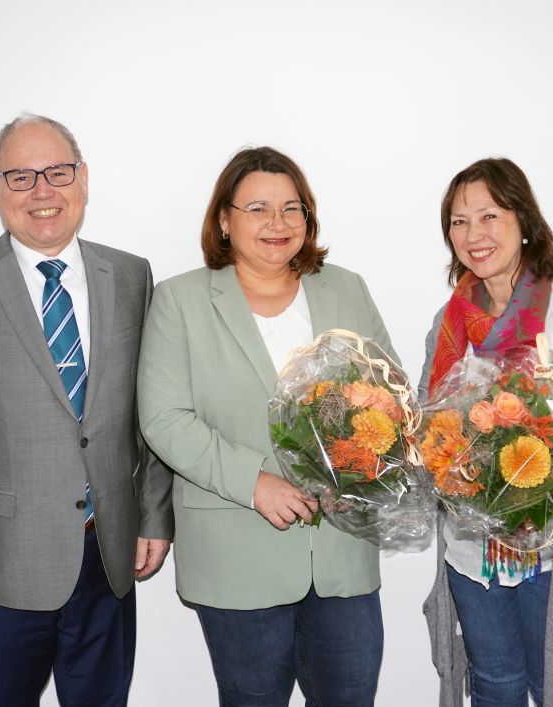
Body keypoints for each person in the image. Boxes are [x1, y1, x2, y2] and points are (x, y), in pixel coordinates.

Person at [0, 113, 174, 707]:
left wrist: (154, 514)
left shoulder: (130, 276)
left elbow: (150, 411)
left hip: (109, 555)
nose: (43, 191)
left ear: (84, 179)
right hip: (0, 568)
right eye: (21, 176)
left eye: (58, 171)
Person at [138, 146, 395, 707]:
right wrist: (254, 482)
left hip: (342, 555)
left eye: (291, 208)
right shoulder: (180, 300)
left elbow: (389, 398)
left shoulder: (345, 288)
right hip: (236, 555)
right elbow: (164, 419)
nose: (277, 224)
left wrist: (365, 467)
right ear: (225, 219)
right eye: (257, 208)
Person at [420, 158, 553, 707]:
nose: (474, 235)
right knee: (494, 684)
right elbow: (429, 424)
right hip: (473, 554)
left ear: (524, 221)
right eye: (458, 221)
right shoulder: (450, 324)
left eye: (489, 215)